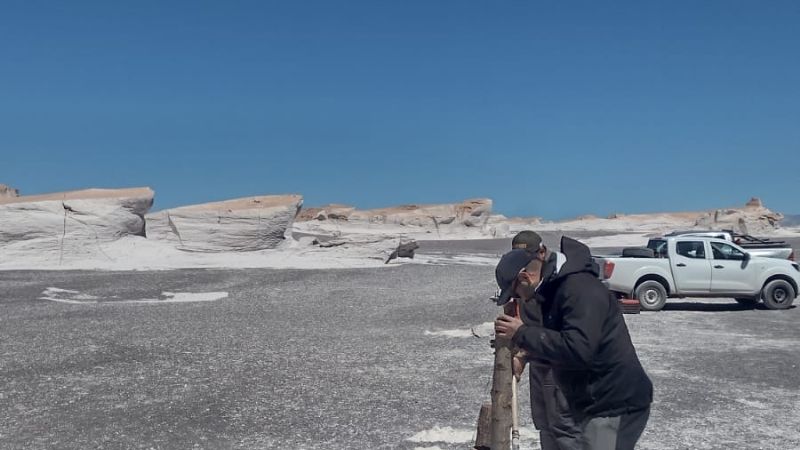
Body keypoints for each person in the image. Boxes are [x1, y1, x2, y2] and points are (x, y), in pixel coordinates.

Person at [495, 235, 653, 450]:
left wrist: (522, 333)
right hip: (593, 402)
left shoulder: (579, 288)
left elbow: (578, 349)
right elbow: (557, 340)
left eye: (517, 294)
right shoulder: (553, 289)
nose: (521, 299)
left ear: (525, 278)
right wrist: (526, 354)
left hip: (614, 403)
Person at [507, 231, 580, 450]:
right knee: (544, 423)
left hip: (559, 366)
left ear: (540, 252)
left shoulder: (559, 281)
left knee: (564, 425)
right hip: (538, 363)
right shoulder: (523, 279)